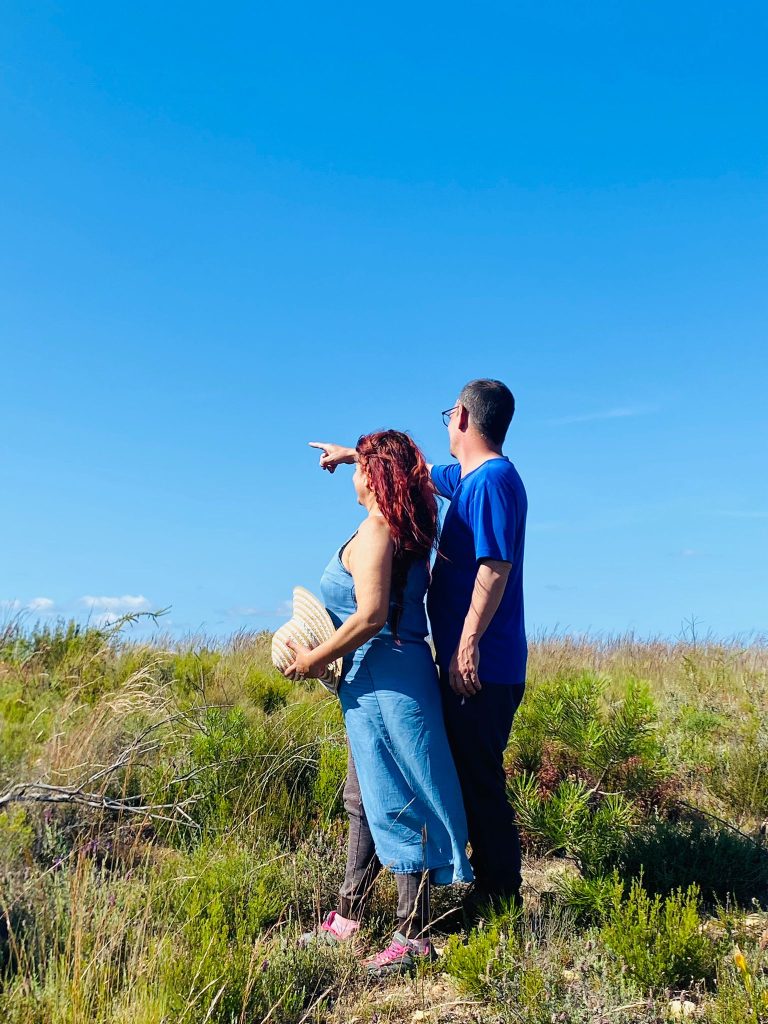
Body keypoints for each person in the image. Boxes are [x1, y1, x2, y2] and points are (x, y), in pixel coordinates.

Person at [313, 378, 527, 919]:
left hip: (483, 664)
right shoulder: (469, 477)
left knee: (476, 780)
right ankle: (465, 895)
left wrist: (467, 645)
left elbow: (494, 566)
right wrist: (354, 454)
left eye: (448, 414)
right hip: (456, 660)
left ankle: (498, 898)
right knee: (449, 776)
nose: (446, 423)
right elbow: (415, 471)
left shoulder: (494, 480)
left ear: (462, 417)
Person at [282, 429, 472, 977]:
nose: (355, 473)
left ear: (375, 475)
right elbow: (406, 465)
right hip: (388, 676)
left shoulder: (377, 530)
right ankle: (348, 916)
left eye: (362, 464)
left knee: (397, 800)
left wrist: (314, 659)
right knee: (364, 797)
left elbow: (368, 617)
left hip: (382, 679)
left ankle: (413, 936)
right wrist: (351, 454)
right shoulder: (404, 524)